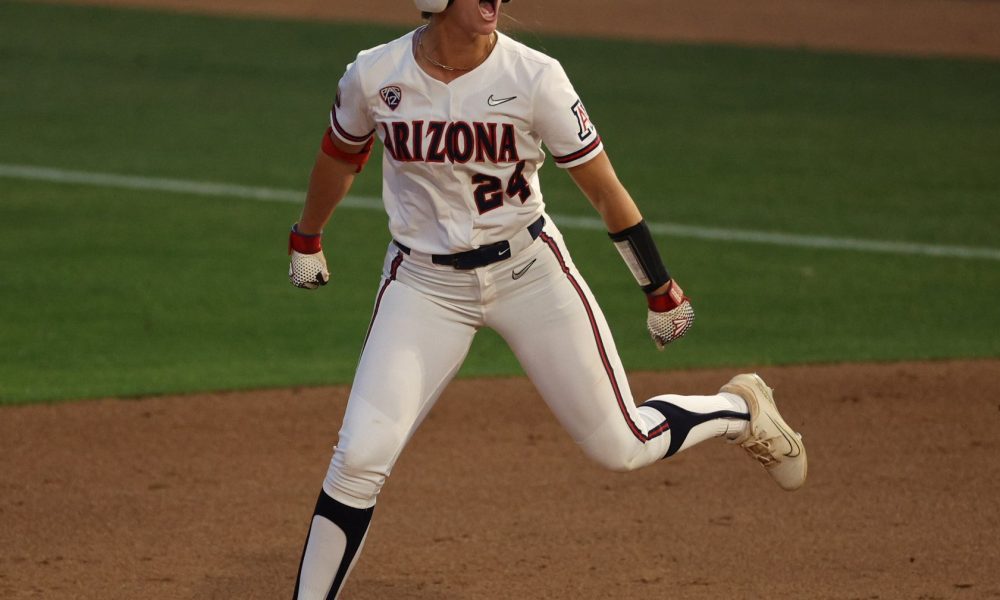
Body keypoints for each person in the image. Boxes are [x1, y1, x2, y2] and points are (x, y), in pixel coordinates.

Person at [287, 0, 807, 597]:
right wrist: (307, 235)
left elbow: (605, 191)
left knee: (622, 445)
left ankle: (740, 410)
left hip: (529, 274)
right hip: (423, 286)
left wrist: (658, 288)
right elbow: (341, 155)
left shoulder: (535, 77)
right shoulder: (375, 75)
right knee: (357, 461)